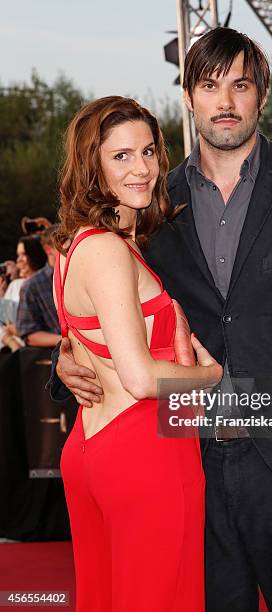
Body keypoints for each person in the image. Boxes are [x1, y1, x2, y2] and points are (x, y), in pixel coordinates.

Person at [50, 29, 272, 612]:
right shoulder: (154, 203)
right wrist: (65, 361)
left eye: (241, 85)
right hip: (189, 458)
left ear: (261, 96)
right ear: (189, 98)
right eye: (209, 85)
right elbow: (110, 305)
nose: (225, 101)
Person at [50, 95, 222, 612]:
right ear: (91, 165)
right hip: (146, 453)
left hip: (94, 447)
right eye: (120, 156)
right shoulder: (105, 248)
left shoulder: (75, 245)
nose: (142, 168)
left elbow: (80, 339)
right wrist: (210, 375)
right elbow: (142, 377)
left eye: (148, 152)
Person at [15, 226, 61, 347]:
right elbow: (28, 334)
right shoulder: (32, 286)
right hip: (55, 358)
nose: (71, 250)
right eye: (63, 245)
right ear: (48, 249)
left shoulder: (81, 274)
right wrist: (66, 341)